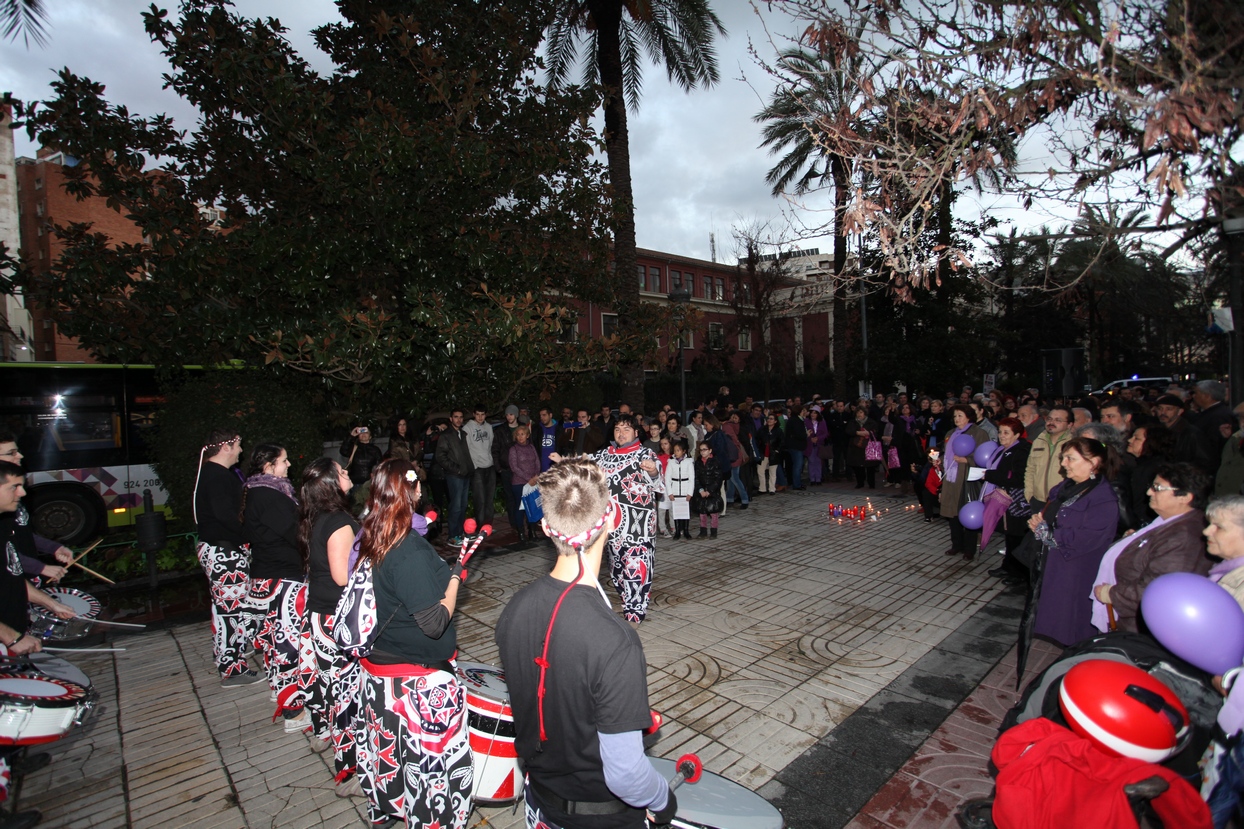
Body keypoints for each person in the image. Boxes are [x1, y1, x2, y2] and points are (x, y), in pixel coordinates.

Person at [495, 458, 677, 829]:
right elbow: (626, 774)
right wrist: (661, 799)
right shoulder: (616, 641)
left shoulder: (513, 610)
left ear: (546, 527)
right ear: (612, 517)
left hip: (541, 803)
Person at [353, 460, 471, 829]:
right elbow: (434, 623)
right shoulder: (408, 551)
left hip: (381, 673)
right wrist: (454, 578)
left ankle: (387, 811)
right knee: (430, 771)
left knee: (393, 757)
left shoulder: (372, 534)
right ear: (414, 492)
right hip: (414, 683)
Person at [0, 460, 75, 829]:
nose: (23, 492)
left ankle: (12, 758)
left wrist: (50, 603)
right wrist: (11, 637)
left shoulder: (4, 523)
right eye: (14, 486)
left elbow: (13, 575)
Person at [553, 414, 664, 625]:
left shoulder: (645, 453)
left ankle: (635, 613)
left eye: (626, 429)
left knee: (636, 568)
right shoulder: (605, 454)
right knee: (617, 570)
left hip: (638, 527)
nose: (621, 434)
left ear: (636, 432)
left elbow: (659, 483)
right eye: (617, 429)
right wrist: (563, 462)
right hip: (611, 526)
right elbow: (584, 466)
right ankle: (627, 603)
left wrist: (653, 471)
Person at [299, 458, 362, 792]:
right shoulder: (338, 521)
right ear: (330, 482)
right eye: (342, 472)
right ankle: (350, 770)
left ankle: (331, 740)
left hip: (320, 612)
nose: (348, 474)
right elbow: (343, 576)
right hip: (336, 617)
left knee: (332, 687)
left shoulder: (316, 516)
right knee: (349, 693)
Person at [241, 443, 312, 733]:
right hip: (281, 579)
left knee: (274, 643)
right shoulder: (269, 495)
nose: (289, 466)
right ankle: (293, 712)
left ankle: (281, 694)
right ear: (269, 465)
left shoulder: (261, 490)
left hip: (269, 576)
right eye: (284, 461)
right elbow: (295, 534)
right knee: (287, 646)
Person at [1090, 462, 1210, 633]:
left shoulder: (1184, 537)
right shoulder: (1172, 521)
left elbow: (1158, 592)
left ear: (1184, 497)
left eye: (1157, 488)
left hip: (1144, 630)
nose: (1148, 493)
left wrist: (1111, 593)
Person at [1027, 438, 1121, 647]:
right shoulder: (1069, 487)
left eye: (1070, 458)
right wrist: (1040, 522)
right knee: (1056, 615)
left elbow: (1088, 537)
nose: (1064, 464)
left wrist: (1045, 531)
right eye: (1063, 458)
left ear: (1093, 462)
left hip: (1077, 568)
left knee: (1074, 621)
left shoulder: (1103, 498)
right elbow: (1053, 516)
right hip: (1057, 563)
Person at [193, 428, 262, 686]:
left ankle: (230, 655)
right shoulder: (217, 476)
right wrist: (253, 532)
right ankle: (233, 669)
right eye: (238, 446)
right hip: (224, 553)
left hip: (222, 549)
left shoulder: (214, 474)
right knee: (230, 611)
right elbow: (228, 517)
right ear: (225, 447)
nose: (241, 451)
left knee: (227, 609)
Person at [0, 433, 73, 584]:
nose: (20, 456)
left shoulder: (12, 497)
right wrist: (39, 568)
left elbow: (22, 534)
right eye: (11, 453)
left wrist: (54, 548)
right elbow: (4, 552)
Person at [981, 417, 1032, 582]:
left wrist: (989, 475)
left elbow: (1018, 478)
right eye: (1000, 432)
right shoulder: (1003, 449)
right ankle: (1008, 566)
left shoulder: (1022, 451)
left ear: (1017, 434)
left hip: (1017, 500)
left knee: (1017, 535)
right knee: (1009, 535)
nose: (1001, 436)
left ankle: (1018, 573)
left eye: (1006, 433)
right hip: (1005, 498)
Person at [936, 404, 990, 560]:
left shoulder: (979, 433)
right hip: (951, 480)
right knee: (952, 513)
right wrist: (938, 461)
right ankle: (956, 545)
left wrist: (967, 460)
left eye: (960, 415)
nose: (956, 419)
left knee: (968, 513)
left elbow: (985, 457)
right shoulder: (951, 433)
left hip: (968, 480)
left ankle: (969, 549)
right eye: (954, 416)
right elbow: (947, 455)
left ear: (969, 416)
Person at [435, 409, 475, 545]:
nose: (458, 419)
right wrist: (456, 469)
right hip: (454, 475)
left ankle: (460, 533)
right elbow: (440, 456)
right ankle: (453, 535)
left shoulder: (462, 434)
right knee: (456, 506)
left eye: (461, 417)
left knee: (463, 505)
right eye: (456, 417)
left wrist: (469, 468)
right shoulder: (446, 435)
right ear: (450, 418)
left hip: (465, 474)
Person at [463, 404, 497, 530]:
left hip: (490, 466)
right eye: (478, 414)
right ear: (473, 414)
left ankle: (488, 526)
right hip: (477, 468)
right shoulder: (468, 428)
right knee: (480, 499)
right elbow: (466, 449)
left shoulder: (489, 427)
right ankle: (480, 526)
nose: (480, 417)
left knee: (489, 498)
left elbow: (491, 445)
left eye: (482, 414)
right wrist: (474, 465)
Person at [510, 425, 543, 543]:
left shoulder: (532, 447)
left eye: (522, 434)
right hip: (519, 483)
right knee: (520, 509)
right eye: (518, 434)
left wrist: (535, 477)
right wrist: (528, 478)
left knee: (532, 507)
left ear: (527, 435)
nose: (520, 437)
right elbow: (514, 467)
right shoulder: (513, 449)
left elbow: (537, 462)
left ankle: (532, 531)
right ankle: (521, 533)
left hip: (533, 483)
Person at [341, 425, 384, 510]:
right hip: (355, 484)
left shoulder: (375, 450)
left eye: (366, 432)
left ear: (370, 436)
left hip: (370, 485)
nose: (364, 434)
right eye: (361, 433)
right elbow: (343, 451)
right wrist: (351, 436)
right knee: (355, 509)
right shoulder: (354, 448)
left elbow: (380, 466)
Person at [692, 441, 724, 539]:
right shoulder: (698, 463)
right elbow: (696, 477)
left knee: (713, 512)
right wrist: (701, 490)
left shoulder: (715, 462)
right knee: (702, 513)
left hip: (712, 491)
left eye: (704, 450)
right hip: (701, 492)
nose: (702, 452)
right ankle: (703, 531)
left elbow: (718, 479)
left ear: (710, 450)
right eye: (700, 450)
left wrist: (709, 491)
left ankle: (713, 532)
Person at [664, 440, 694, 540]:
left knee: (685, 511)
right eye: (675, 450)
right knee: (676, 512)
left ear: (684, 451)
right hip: (675, 489)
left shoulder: (689, 462)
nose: (676, 452)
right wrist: (670, 492)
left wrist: (690, 492)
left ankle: (686, 530)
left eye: (678, 450)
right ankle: (677, 531)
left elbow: (692, 478)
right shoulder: (671, 462)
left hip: (685, 489)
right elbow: (667, 478)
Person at [757, 412, 783, 494]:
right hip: (763, 452)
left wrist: (777, 450)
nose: (769, 420)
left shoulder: (778, 431)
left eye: (771, 419)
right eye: (768, 418)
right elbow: (757, 439)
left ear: (775, 421)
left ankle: (772, 488)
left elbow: (782, 442)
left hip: (773, 453)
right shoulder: (762, 429)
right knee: (760, 470)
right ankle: (762, 488)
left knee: (772, 472)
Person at [783, 406, 808, 490]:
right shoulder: (796, 421)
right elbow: (799, 434)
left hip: (794, 445)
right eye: (803, 410)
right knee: (798, 466)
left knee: (796, 465)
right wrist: (806, 434)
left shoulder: (794, 420)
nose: (805, 412)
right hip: (796, 446)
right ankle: (796, 484)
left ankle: (797, 482)